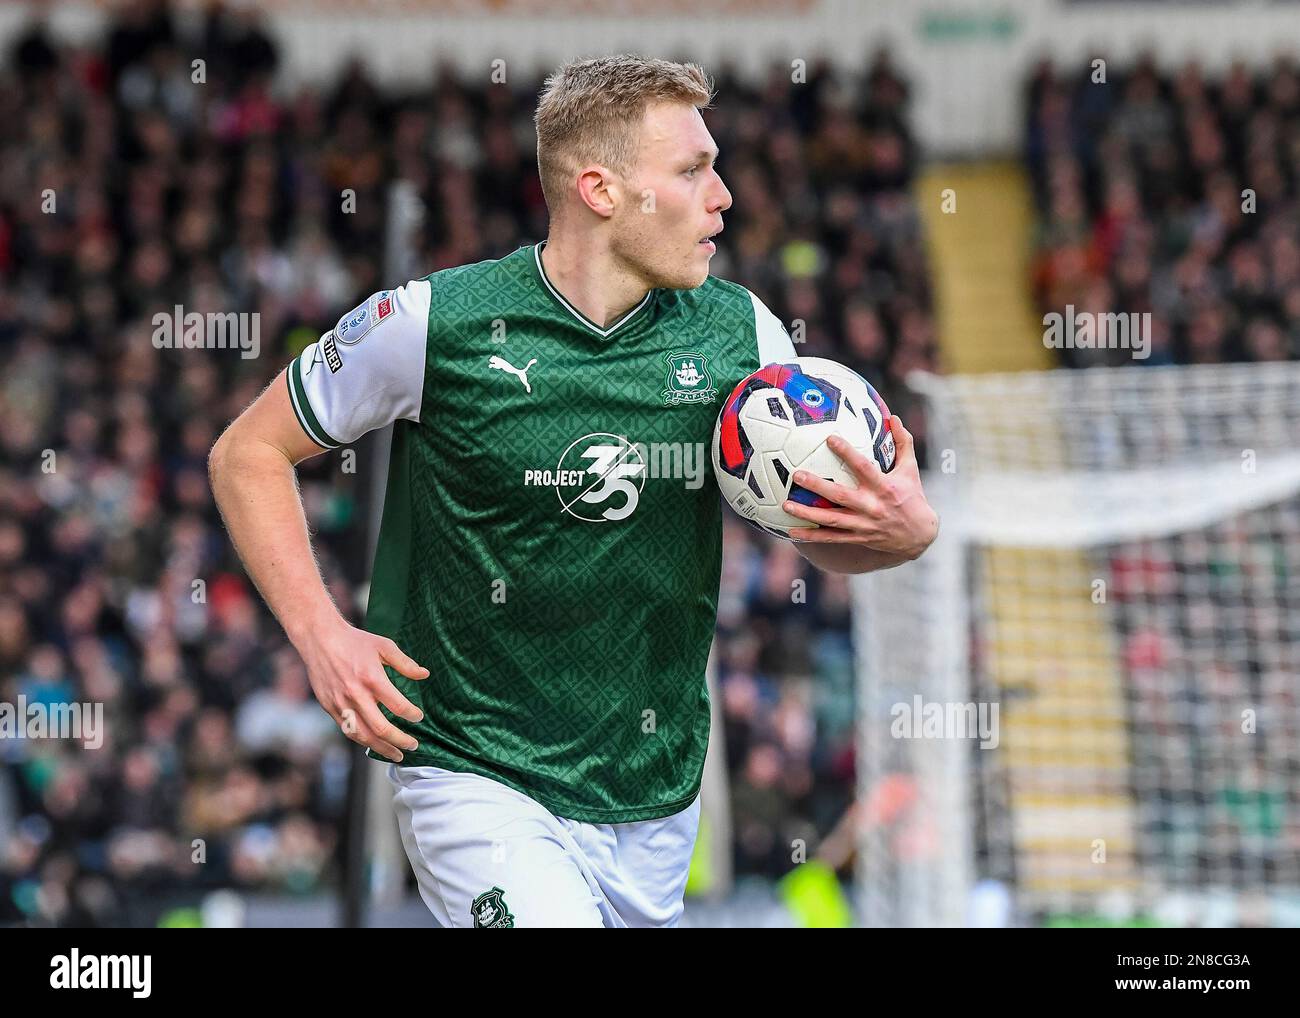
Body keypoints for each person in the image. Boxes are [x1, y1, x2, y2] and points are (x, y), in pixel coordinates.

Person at [208, 54, 938, 928]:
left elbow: (810, 526)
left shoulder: (744, 334)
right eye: (694, 169)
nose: (725, 196)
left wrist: (898, 533)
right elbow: (247, 453)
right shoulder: (432, 324)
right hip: (475, 773)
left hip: (653, 794)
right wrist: (321, 633)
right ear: (601, 190)